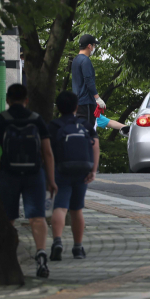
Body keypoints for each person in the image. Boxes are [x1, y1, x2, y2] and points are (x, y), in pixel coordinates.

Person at [0, 84, 57, 278]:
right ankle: (41, 254)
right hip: (34, 174)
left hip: (8, 174)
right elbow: (47, 153)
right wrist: (51, 180)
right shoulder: (36, 120)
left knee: (8, 219)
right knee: (37, 217)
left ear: (8, 100)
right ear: (26, 100)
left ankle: (7, 259)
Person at [47, 91, 100, 261]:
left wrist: (49, 175)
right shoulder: (85, 125)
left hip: (61, 171)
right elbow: (95, 147)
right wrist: (93, 170)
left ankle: (57, 242)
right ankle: (78, 248)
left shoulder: (53, 126)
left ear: (58, 107)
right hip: (82, 171)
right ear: (76, 107)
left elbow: (47, 152)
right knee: (77, 210)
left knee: (60, 207)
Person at [71, 34, 105, 127]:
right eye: (94, 45)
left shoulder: (75, 60)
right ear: (89, 46)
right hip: (86, 103)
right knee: (87, 130)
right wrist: (97, 98)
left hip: (77, 102)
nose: (94, 48)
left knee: (79, 130)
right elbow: (89, 80)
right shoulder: (85, 60)